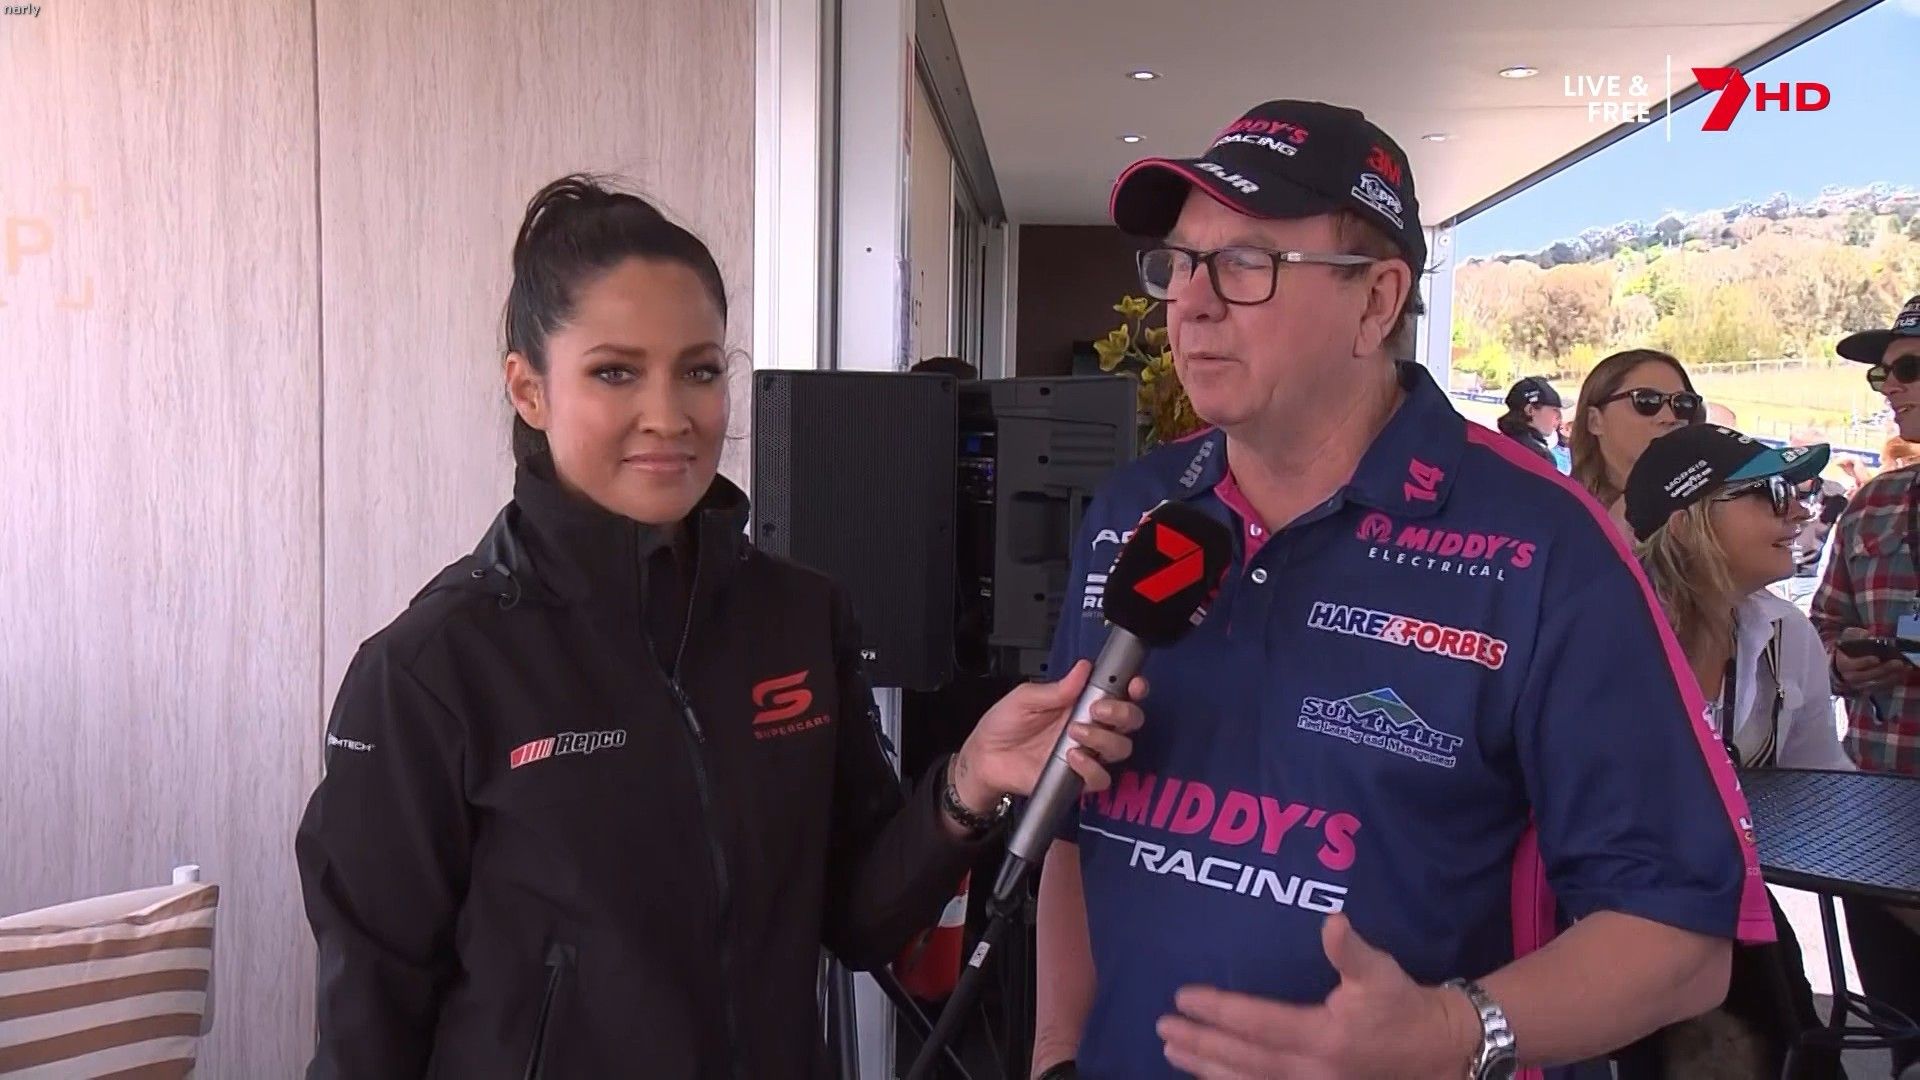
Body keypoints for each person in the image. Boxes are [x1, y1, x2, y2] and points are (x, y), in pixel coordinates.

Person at [293, 175, 1148, 1079]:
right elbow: (367, 1031)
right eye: (615, 372)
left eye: (699, 370)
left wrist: (967, 783)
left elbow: (860, 921)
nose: (669, 416)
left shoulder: (798, 617)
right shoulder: (432, 671)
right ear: (529, 389)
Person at [1030, 99, 1771, 1080]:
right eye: (1180, 263)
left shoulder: (1545, 547)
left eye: (1245, 263)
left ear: (1377, 303)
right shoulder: (1137, 508)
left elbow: (1681, 939)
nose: (1192, 303)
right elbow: (1074, 825)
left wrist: (1450, 1032)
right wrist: (1056, 1054)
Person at [1622, 424, 1855, 1080]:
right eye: (1773, 492)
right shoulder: (1602, 633)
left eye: (1800, 493)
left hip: (1730, 911)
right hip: (1598, 918)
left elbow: (1828, 794)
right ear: (1687, 520)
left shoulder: (1786, 633)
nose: (1800, 511)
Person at [1809, 293, 1920, 1076]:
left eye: (1908, 367)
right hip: (1878, 814)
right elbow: (1821, 626)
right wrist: (1842, 663)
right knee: (1902, 1032)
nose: (1890, 386)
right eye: (1883, 373)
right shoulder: (1873, 502)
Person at [1570, 348, 1702, 535]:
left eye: (1682, 403)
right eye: (1646, 400)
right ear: (1594, 421)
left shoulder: (1713, 506)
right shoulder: (1560, 515)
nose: (1670, 417)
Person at [1496, 376, 1563, 467]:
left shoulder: (1498, 443)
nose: (1560, 417)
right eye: (1555, 410)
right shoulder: (1540, 456)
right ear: (1530, 410)